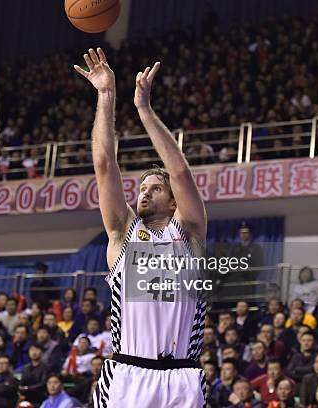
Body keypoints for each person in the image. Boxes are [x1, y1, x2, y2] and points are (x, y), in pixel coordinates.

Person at [74, 48, 207, 407]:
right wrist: (105, 97)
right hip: (127, 375)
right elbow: (104, 165)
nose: (143, 193)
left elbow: (179, 172)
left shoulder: (189, 233)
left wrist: (144, 111)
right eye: (141, 188)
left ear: (174, 201)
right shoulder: (123, 235)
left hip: (182, 375)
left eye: (155, 188)